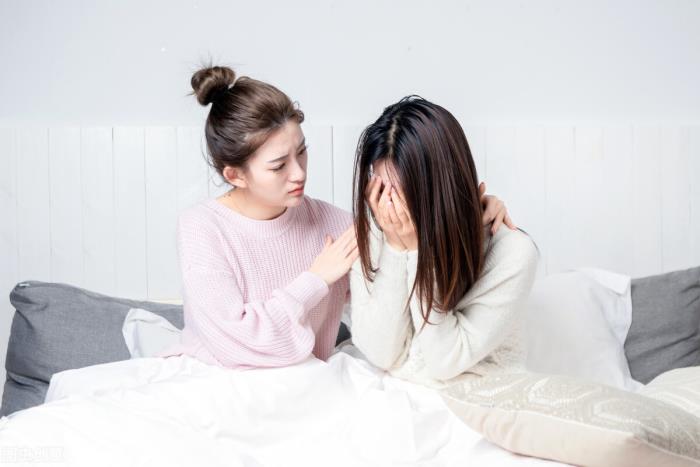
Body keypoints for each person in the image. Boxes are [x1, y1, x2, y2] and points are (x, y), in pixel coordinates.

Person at [159, 66, 514, 369]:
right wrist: (316, 279)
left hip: (302, 384)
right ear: (235, 175)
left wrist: (472, 216)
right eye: (279, 166)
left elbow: (409, 301)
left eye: (302, 152)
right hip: (213, 380)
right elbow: (237, 345)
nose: (299, 173)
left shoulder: (340, 228)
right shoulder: (202, 228)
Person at [349, 96, 539, 387]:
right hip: (397, 394)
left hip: (479, 396)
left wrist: (417, 251)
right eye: (381, 188)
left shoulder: (513, 253)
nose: (388, 205)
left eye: (400, 191)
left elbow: (444, 361)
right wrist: (396, 249)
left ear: (440, 188)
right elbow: (381, 354)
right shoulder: (380, 228)